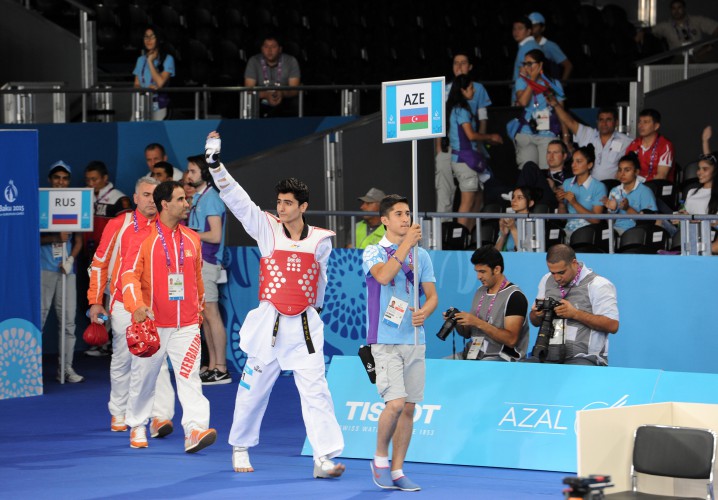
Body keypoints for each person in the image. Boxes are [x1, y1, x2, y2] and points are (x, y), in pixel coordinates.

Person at [203, 132, 345, 478]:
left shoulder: (321, 240)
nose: (280, 208)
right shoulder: (267, 229)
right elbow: (238, 201)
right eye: (278, 202)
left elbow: (321, 281)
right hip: (269, 323)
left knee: (316, 391)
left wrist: (316, 313)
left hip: (306, 326)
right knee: (253, 390)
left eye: (287, 203)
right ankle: (240, 446)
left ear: (303, 207)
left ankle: (323, 457)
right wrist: (215, 166)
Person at [120, 180, 216, 453]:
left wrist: (199, 309)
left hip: (186, 325)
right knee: (145, 378)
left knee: (190, 377)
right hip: (152, 324)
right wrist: (136, 306)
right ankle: (138, 424)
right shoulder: (142, 238)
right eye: (180, 200)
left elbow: (197, 278)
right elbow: (128, 276)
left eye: (185, 200)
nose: (186, 204)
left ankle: (195, 430)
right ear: (165, 204)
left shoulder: (192, 238)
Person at [87, 176, 176, 436]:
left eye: (154, 195)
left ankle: (160, 417)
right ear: (135, 198)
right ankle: (119, 410)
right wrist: (95, 302)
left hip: (157, 307)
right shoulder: (119, 224)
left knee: (157, 360)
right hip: (124, 304)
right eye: (145, 195)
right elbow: (99, 263)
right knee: (124, 358)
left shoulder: (166, 227)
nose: (150, 200)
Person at [363, 195, 438, 492]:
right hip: (384, 339)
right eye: (398, 214)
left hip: (415, 339)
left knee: (409, 408)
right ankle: (380, 458)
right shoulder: (372, 251)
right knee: (393, 404)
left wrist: (425, 311)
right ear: (385, 220)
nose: (405, 218)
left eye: (407, 213)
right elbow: (383, 277)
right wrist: (405, 245)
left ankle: (397, 470)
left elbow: (431, 296)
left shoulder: (423, 256)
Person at [529, 244, 619, 366]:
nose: (557, 278)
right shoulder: (546, 280)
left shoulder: (598, 285)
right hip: (549, 354)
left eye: (561, 272)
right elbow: (534, 321)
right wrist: (537, 314)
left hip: (585, 358)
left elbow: (613, 325)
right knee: (525, 367)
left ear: (574, 263)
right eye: (552, 273)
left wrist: (575, 314)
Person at [186, 154, 230, 385]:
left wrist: (188, 234)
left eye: (192, 171)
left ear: (204, 172)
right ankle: (212, 365)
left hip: (208, 262)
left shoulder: (211, 198)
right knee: (204, 317)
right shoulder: (199, 198)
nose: (188, 175)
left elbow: (215, 235)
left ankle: (221, 367)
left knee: (211, 315)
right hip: (198, 262)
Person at [436, 52, 494, 218]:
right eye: (456, 63)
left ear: (470, 67)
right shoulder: (443, 89)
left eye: (463, 62)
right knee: (445, 190)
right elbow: (438, 121)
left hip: (470, 146)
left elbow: (482, 118)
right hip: (448, 146)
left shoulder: (478, 88)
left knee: (475, 190)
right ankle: (444, 230)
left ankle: (469, 232)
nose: (459, 66)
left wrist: (480, 144)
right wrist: (439, 148)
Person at [41, 161, 84, 383]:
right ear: (50, 180)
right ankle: (31, 369)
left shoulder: (75, 203)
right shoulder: (40, 202)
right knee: (39, 318)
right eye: (57, 177)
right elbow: (34, 238)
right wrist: (55, 238)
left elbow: (79, 239)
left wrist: (70, 259)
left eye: (65, 178)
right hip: (44, 269)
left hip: (68, 270)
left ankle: (66, 368)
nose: (61, 182)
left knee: (68, 322)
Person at [451, 246, 529, 361]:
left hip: (502, 358)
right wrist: (457, 321)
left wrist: (477, 322)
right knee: (441, 366)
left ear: (497, 269)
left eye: (482, 271)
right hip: (474, 354)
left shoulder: (515, 297)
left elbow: (511, 340)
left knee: (479, 370)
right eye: (477, 272)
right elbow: (468, 334)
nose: (478, 277)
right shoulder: (480, 291)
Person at [446, 74, 503, 230]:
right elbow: (471, 135)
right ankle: (458, 239)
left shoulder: (460, 108)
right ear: (463, 90)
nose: (473, 91)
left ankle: (470, 235)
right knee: (467, 201)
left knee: (477, 197)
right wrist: (491, 136)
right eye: (471, 88)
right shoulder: (460, 110)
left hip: (467, 159)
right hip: (463, 160)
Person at [548, 100, 633, 181]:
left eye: (608, 120)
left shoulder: (626, 141)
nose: (604, 123)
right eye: (601, 120)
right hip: (589, 188)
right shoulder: (589, 134)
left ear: (616, 122)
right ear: (597, 122)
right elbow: (570, 122)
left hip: (613, 187)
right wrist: (555, 104)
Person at [514, 49, 568, 171]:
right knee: (528, 171)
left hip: (548, 133)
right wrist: (532, 80)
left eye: (530, 63)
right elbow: (523, 102)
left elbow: (562, 113)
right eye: (525, 64)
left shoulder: (554, 83)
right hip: (526, 132)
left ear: (540, 64)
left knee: (548, 172)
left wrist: (565, 137)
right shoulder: (521, 81)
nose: (527, 67)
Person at [640, 0, 718, 62]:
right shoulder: (665, 26)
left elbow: (715, 28)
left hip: (699, 54)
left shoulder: (696, 20)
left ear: (684, 8)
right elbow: (648, 31)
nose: (676, 11)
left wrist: (709, 45)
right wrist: (641, 33)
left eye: (679, 8)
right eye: (673, 8)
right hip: (679, 57)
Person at [244, 35, 301, 118]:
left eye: (273, 47)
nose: (269, 50)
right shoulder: (254, 61)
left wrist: (282, 93)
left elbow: (294, 89)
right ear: (261, 49)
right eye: (266, 46)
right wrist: (266, 94)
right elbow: (249, 89)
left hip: (284, 99)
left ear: (280, 49)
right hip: (261, 99)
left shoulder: (291, 61)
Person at [556, 144, 607, 238]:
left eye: (578, 161)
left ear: (589, 165)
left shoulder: (599, 187)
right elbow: (562, 218)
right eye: (573, 161)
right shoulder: (567, 183)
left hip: (588, 233)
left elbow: (596, 220)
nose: (573, 165)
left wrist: (574, 203)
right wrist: (561, 203)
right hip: (568, 231)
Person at [602, 154, 658, 235]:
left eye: (627, 170)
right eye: (620, 170)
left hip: (637, 232)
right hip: (615, 231)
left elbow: (649, 223)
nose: (622, 174)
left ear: (636, 172)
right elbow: (610, 223)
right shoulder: (614, 191)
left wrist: (628, 209)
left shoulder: (645, 191)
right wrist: (612, 211)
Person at [512, 139, 573, 210]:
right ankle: (517, 200)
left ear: (564, 156)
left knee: (530, 166)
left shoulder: (571, 175)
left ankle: (516, 200)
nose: (551, 156)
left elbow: (571, 196)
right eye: (549, 152)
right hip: (536, 200)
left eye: (555, 152)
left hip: (556, 204)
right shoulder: (539, 173)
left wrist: (554, 189)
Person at [678, 151, 718, 253]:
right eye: (699, 168)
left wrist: (693, 221)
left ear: (715, 171)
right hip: (689, 235)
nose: (699, 172)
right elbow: (685, 216)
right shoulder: (691, 192)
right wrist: (681, 217)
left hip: (709, 237)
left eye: (705, 169)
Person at [133, 26, 175, 121]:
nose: (148, 40)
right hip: (142, 104)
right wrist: (146, 90)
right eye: (146, 37)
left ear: (159, 39)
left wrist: (150, 62)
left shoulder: (168, 59)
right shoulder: (140, 60)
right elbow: (136, 84)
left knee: (155, 134)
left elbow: (160, 83)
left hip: (159, 105)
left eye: (152, 37)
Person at [625, 109, 674, 182]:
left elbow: (661, 176)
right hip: (634, 187)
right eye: (639, 122)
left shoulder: (665, 145)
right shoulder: (634, 144)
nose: (641, 125)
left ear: (656, 126)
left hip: (656, 188)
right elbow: (625, 169)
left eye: (645, 122)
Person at [527, 12, 573, 82]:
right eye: (530, 26)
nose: (532, 29)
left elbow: (568, 66)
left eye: (535, 26)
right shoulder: (526, 45)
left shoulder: (550, 45)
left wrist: (561, 86)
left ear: (542, 28)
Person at [495, 186, 536, 252]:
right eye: (513, 197)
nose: (513, 200)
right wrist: (503, 235)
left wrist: (513, 229)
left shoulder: (535, 223)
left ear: (530, 203)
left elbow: (526, 252)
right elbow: (495, 254)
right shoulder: (510, 221)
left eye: (519, 198)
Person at [511, 16, 541, 95]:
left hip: (525, 95)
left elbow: (524, 75)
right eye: (514, 29)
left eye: (520, 28)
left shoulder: (528, 47)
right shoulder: (527, 45)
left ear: (528, 31)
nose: (516, 32)